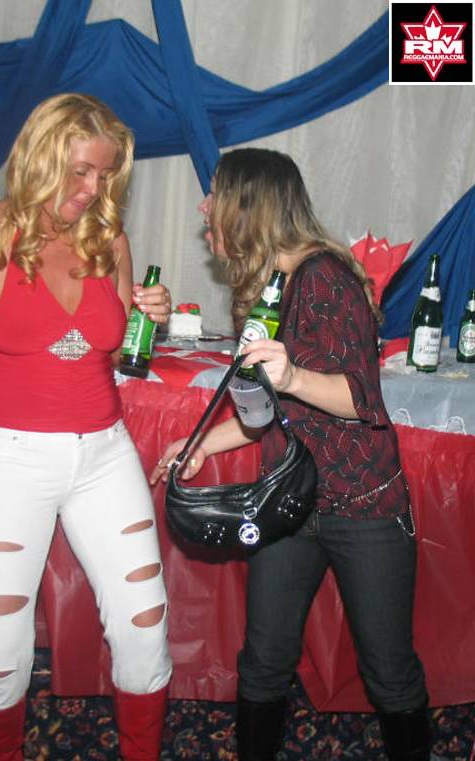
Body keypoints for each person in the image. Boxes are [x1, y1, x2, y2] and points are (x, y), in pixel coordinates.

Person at [151, 148, 430, 761]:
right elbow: (267, 409)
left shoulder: (325, 276)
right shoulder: (269, 285)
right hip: (289, 501)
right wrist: (198, 444)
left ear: (250, 205)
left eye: (215, 192)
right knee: (264, 661)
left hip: (362, 508)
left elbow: (361, 400)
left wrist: (295, 376)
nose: (204, 206)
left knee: (388, 671)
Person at [0, 93, 173, 761]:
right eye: (80, 171)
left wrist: (151, 317)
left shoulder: (110, 239)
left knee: (145, 623)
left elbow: (123, 348)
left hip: (104, 451)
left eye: (104, 175)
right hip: (9, 456)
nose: (93, 189)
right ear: (41, 158)